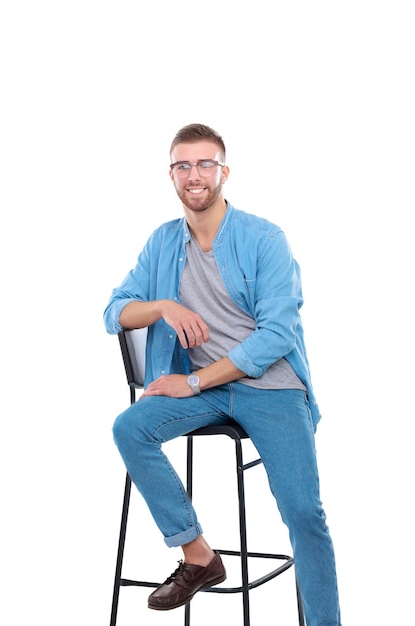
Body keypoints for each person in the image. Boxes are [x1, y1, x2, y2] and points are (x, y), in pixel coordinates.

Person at [104, 123, 342, 624]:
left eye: (205, 164)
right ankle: (198, 556)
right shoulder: (163, 242)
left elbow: (277, 335)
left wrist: (193, 380)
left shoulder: (264, 238)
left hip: (271, 388)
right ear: (171, 176)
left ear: (224, 172)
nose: (195, 175)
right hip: (203, 393)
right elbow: (114, 312)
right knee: (130, 426)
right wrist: (164, 306)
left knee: (305, 514)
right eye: (183, 165)